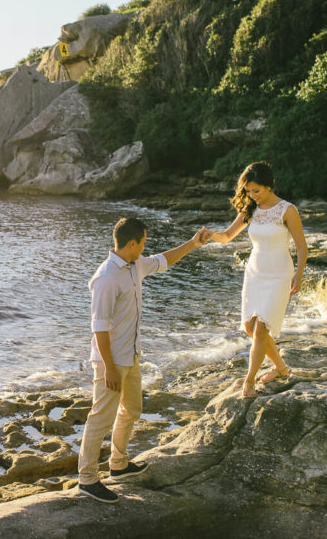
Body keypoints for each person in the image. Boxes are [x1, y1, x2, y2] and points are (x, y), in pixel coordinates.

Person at [77, 217, 210, 503]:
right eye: (143, 243)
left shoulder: (135, 264)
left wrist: (192, 243)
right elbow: (99, 327)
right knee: (101, 418)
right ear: (132, 244)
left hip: (131, 355)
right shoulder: (106, 278)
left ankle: (118, 464)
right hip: (110, 361)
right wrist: (109, 368)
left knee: (132, 409)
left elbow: (164, 260)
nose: (145, 248)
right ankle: (87, 479)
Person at [206, 161, 308, 398]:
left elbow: (302, 246)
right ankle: (281, 368)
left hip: (279, 274)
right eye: (248, 191)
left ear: (269, 185)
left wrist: (299, 274)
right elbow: (227, 236)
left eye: (256, 190)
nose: (252, 195)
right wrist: (210, 235)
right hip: (254, 273)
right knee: (250, 328)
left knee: (261, 330)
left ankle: (249, 382)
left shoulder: (287, 210)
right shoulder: (249, 209)